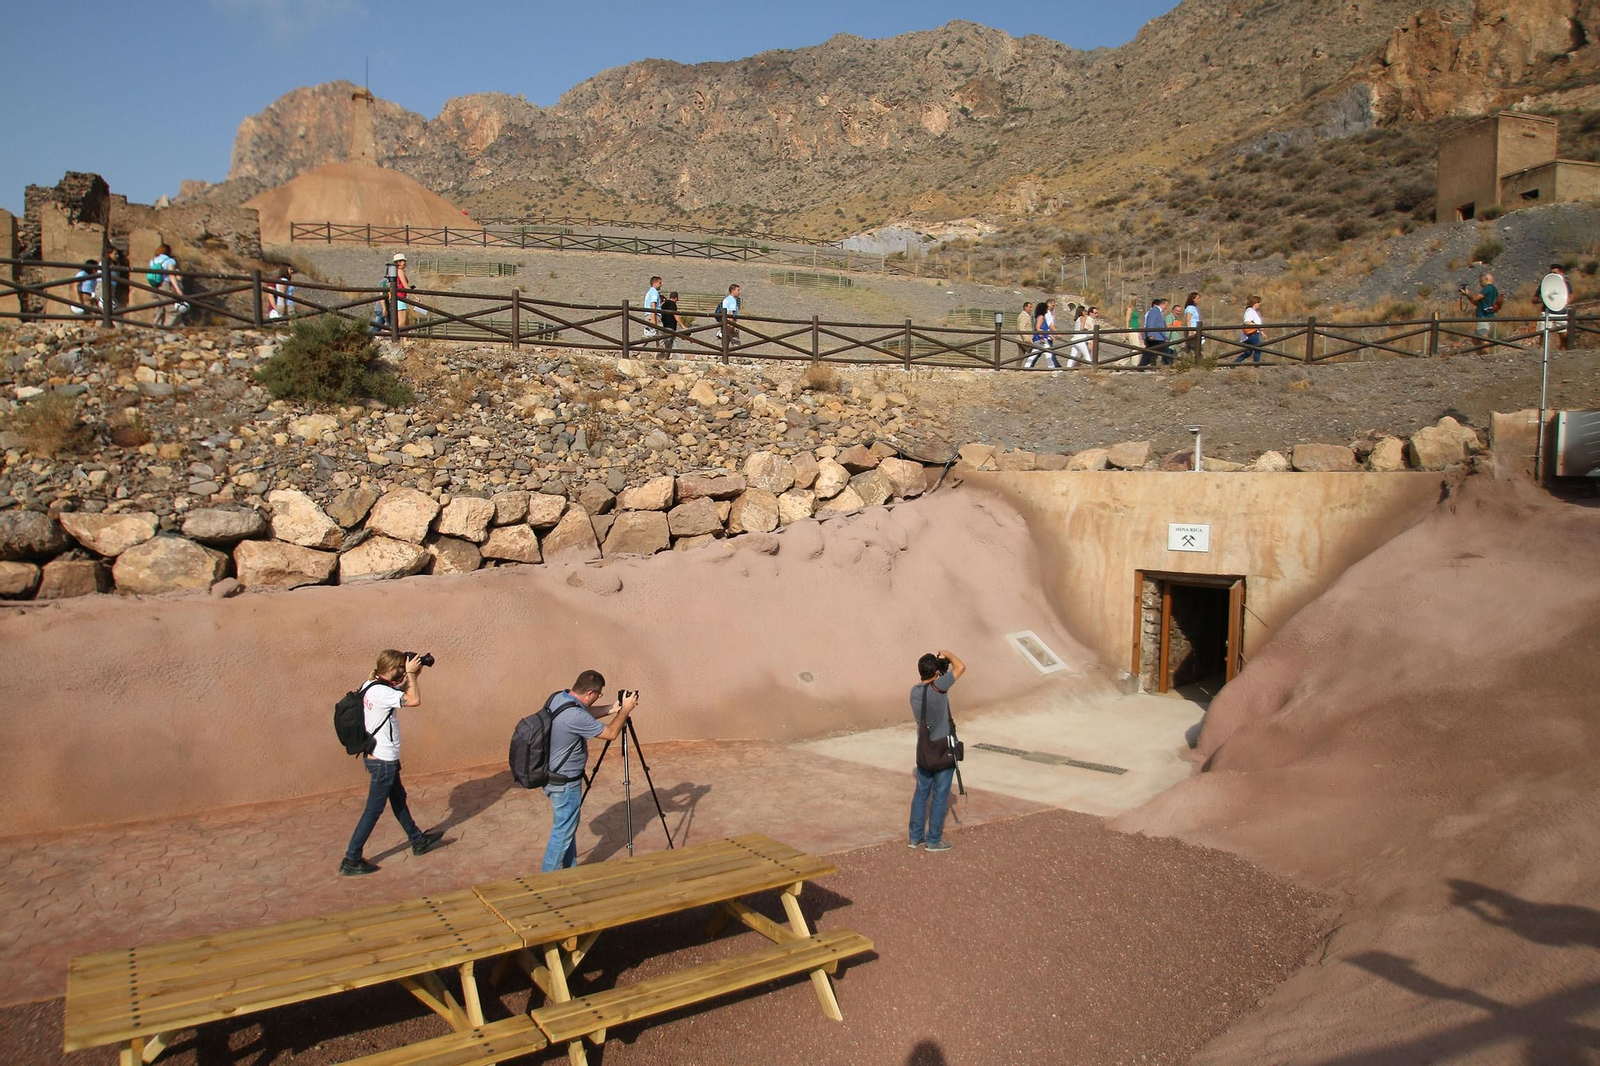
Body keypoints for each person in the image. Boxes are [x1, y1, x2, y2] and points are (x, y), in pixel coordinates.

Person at [340, 650, 443, 876]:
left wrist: (413, 674)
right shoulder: (380, 692)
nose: (402, 670)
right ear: (391, 669)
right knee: (373, 810)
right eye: (400, 667)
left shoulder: (371, 683)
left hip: (381, 758)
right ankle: (351, 858)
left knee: (398, 799)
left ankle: (418, 840)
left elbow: (398, 694)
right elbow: (414, 700)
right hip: (383, 762)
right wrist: (412, 677)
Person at [541, 670, 640, 873]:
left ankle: (571, 871)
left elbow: (583, 713)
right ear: (589, 694)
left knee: (567, 828)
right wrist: (625, 712)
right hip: (565, 783)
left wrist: (613, 708)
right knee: (562, 832)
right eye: (598, 695)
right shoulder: (575, 715)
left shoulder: (559, 698)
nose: (597, 698)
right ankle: (545, 880)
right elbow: (611, 733)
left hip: (552, 776)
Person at [909, 649, 965, 852]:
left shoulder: (914, 691)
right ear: (936, 674)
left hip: (923, 750)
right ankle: (933, 840)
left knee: (921, 793)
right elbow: (961, 667)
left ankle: (915, 838)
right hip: (942, 750)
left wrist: (937, 666)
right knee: (940, 795)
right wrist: (948, 654)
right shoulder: (939, 687)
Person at [148, 244, 184, 327]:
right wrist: (178, 289)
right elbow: (171, 275)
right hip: (164, 285)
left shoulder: (153, 260)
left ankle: (156, 328)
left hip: (153, 285)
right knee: (173, 310)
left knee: (158, 309)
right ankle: (166, 328)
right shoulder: (170, 261)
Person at [1539, 264, 1571, 351]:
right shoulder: (1545, 283)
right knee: (1543, 334)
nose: (1552, 274)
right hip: (1547, 312)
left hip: (1561, 312)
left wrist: (1566, 301)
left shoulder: (1566, 284)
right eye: (1551, 272)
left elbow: (1571, 296)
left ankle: (1562, 352)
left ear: (1561, 273)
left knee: (1563, 335)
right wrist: (1542, 299)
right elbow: (1535, 299)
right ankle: (1541, 351)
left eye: (1555, 273)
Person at [1467, 272, 1498, 348]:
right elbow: (1475, 302)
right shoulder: (1494, 289)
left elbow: (1475, 298)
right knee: (1475, 339)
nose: (1480, 283)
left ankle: (1487, 357)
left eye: (1481, 281)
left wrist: (1467, 294)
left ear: (1486, 279)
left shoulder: (1488, 288)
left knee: (1483, 338)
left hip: (1483, 317)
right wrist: (1467, 296)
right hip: (1489, 316)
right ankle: (1481, 354)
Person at [1026, 298, 1059, 368]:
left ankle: (1026, 367)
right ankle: (1052, 368)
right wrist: (1041, 337)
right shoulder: (1041, 317)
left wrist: (1050, 335)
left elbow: (1044, 329)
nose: (1047, 310)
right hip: (1041, 339)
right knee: (1048, 354)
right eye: (1046, 308)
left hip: (1040, 338)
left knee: (1034, 355)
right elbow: (1038, 328)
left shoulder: (1041, 317)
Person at [1141, 297, 1172, 367]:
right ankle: (1169, 365)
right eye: (1166, 306)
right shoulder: (1155, 311)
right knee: (1165, 351)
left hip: (1157, 336)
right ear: (1163, 304)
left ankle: (1141, 366)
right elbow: (1150, 322)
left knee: (1148, 353)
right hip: (1156, 337)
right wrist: (1150, 334)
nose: (1166, 308)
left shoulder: (1157, 312)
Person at [1235, 296, 1265, 363]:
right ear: (1255, 303)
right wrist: (1258, 327)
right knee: (1258, 349)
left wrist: (1261, 332)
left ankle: (1232, 365)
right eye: (1258, 302)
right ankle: (1256, 366)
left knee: (1248, 353)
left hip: (1250, 334)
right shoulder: (1250, 311)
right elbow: (1247, 322)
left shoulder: (1252, 311)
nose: (1259, 304)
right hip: (1252, 334)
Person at [388, 254, 412, 328]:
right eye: (403, 261)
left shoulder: (395, 271)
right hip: (400, 298)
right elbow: (406, 286)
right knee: (402, 322)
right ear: (398, 262)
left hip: (398, 297)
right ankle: (394, 336)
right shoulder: (400, 271)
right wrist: (415, 296)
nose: (404, 263)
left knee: (406, 322)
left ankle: (404, 339)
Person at [642, 275, 663, 354]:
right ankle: (661, 357)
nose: (661, 284)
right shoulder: (654, 292)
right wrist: (654, 319)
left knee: (647, 335)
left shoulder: (649, 292)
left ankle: (634, 351)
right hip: (654, 316)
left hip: (649, 316)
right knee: (661, 337)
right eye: (660, 282)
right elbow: (653, 305)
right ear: (656, 282)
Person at [1183, 292, 1203, 364]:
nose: (1199, 300)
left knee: (1190, 348)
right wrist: (1190, 330)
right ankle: (1200, 362)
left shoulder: (1194, 308)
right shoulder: (1190, 308)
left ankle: (1187, 361)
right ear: (1192, 299)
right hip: (1193, 330)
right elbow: (1188, 319)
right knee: (1196, 347)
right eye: (1197, 298)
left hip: (1195, 329)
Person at [660, 289, 680, 357]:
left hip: (664, 325)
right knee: (668, 342)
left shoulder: (664, 304)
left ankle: (675, 357)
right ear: (676, 298)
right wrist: (683, 325)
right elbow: (675, 315)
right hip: (670, 326)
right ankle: (661, 357)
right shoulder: (672, 304)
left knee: (672, 342)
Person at [1016, 301, 1035, 365]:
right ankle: (1029, 367)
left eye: (1032, 307)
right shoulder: (1024, 316)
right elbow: (1022, 328)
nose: (1031, 309)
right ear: (1025, 307)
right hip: (1024, 339)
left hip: (1021, 339)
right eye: (1030, 307)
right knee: (1033, 352)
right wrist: (1027, 338)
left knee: (1020, 356)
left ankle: (1017, 369)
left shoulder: (1025, 315)